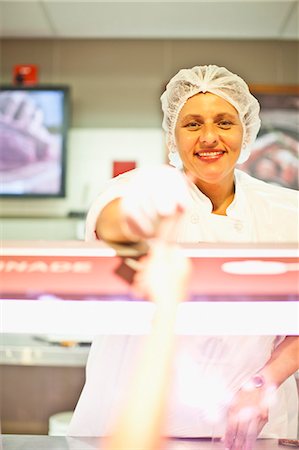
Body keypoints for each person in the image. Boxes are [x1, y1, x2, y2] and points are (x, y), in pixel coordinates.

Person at [68, 65, 299, 449]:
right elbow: (113, 223)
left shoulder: (288, 209)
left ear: (246, 131)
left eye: (224, 122)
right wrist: (138, 212)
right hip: (135, 421)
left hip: (253, 425)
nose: (210, 137)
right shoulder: (138, 187)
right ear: (173, 135)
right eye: (192, 124)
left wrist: (267, 379)